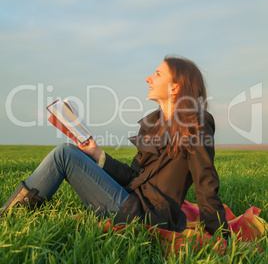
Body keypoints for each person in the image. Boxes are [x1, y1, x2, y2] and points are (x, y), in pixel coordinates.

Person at [1, 56, 229, 238]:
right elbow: (133, 176)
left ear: (175, 87)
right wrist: (97, 154)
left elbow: (205, 181)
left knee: (64, 154)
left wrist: (219, 235)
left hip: (149, 216)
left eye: (157, 74)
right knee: (68, 153)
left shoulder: (195, 122)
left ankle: (7, 215)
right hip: (130, 201)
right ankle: (11, 213)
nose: (149, 79)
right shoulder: (153, 124)